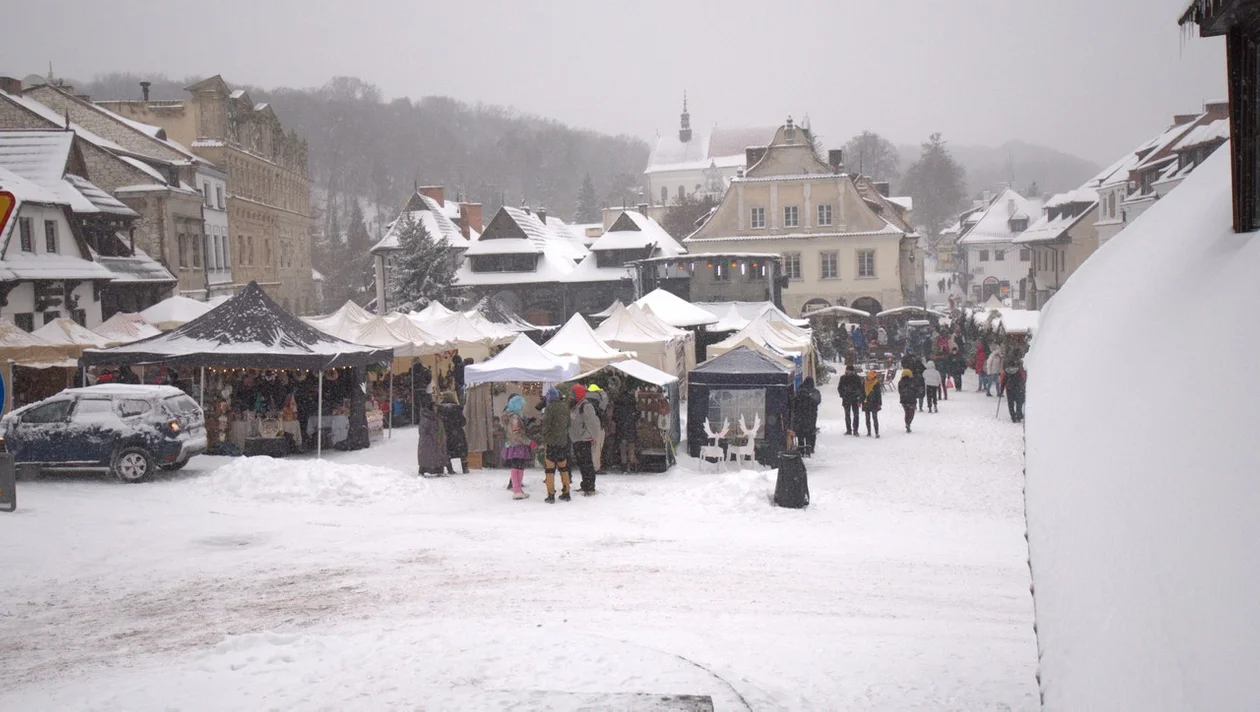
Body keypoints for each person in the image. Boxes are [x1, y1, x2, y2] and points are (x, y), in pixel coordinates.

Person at [542, 385, 573, 503]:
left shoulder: (550, 408)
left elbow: (546, 426)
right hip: (563, 442)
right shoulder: (565, 407)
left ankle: (551, 495)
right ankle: (566, 492)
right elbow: (568, 424)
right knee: (563, 468)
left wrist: (544, 435)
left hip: (551, 442)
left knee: (550, 469)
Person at [569, 384, 602, 495]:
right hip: (576, 438)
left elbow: (593, 423)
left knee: (587, 463)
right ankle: (585, 484)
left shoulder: (586, 406)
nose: (571, 395)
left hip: (584, 439)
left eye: (573, 393)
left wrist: (591, 436)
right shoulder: (576, 405)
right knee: (582, 463)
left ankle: (590, 487)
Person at [501, 394, 531, 500]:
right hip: (517, 444)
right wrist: (528, 442)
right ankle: (517, 490)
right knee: (518, 466)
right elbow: (516, 433)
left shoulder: (510, 415)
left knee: (517, 465)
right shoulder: (514, 417)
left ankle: (517, 489)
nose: (522, 407)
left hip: (512, 444)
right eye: (521, 405)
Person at [415, 393, 446, 476]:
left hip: (435, 441)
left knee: (436, 455)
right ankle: (423, 470)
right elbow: (423, 430)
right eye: (434, 407)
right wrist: (433, 435)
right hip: (428, 442)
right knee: (428, 456)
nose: (436, 409)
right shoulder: (427, 417)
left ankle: (438, 470)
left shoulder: (435, 417)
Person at [438, 391, 468, 474]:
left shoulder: (440, 410)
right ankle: (465, 468)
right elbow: (463, 422)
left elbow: (439, 422)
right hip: (458, 433)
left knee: (447, 451)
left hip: (446, 434)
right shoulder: (457, 409)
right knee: (462, 451)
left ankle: (450, 469)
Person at [792, 377, 821, 455]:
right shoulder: (814, 392)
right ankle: (809, 449)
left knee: (800, 433)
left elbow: (794, 403)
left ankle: (801, 449)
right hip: (811, 416)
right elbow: (817, 401)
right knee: (810, 433)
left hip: (799, 416)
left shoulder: (798, 392)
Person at [613, 385, 639, 473]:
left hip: (621, 428)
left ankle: (624, 466)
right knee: (631, 447)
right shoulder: (633, 404)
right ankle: (631, 465)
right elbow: (637, 415)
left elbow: (614, 417)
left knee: (622, 448)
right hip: (631, 428)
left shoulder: (618, 404)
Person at [586, 383, 609, 473]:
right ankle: (596, 467)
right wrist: (602, 392)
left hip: (587, 426)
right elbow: (603, 405)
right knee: (597, 446)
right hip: (597, 425)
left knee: (590, 447)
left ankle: (589, 466)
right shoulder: (599, 397)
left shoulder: (585, 399)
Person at [837, 364, 864, 436]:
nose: (848, 372)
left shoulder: (857, 378)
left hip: (855, 399)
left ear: (852, 371)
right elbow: (839, 388)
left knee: (856, 415)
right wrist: (842, 394)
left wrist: (859, 398)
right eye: (847, 370)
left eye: (849, 370)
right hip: (846, 399)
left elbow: (860, 388)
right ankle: (848, 430)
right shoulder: (843, 378)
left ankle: (855, 430)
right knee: (847, 415)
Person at [898, 368, 919, 433]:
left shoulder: (900, 382)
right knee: (912, 413)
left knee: (907, 413)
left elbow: (900, 391)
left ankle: (907, 424)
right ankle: (909, 423)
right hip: (912, 399)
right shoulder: (913, 381)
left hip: (904, 400)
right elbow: (916, 390)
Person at [862, 369, 882, 438]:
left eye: (870, 377)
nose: (869, 378)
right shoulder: (864, 383)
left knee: (874, 418)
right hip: (866, 402)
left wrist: (879, 403)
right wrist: (860, 400)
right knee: (867, 418)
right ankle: (869, 432)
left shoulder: (876, 383)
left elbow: (878, 394)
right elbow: (862, 393)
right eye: (868, 377)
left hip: (874, 403)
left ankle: (876, 432)